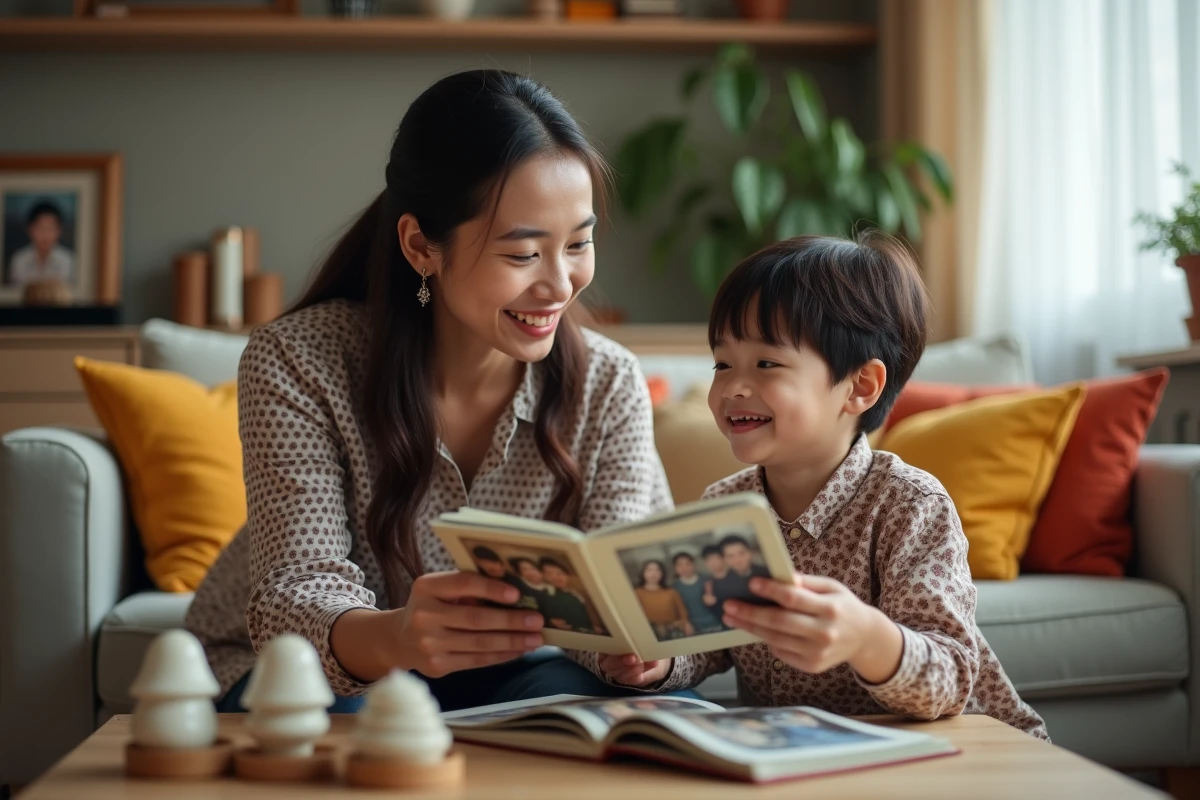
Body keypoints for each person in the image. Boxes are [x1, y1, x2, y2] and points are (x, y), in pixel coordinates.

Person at [184, 69, 679, 714]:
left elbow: (620, 600)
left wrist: (635, 649)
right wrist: (400, 636)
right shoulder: (299, 360)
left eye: (579, 244)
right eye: (523, 254)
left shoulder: (608, 383)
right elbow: (294, 600)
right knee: (359, 717)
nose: (561, 285)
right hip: (318, 668)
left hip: (516, 671)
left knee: (593, 708)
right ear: (422, 246)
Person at [590, 233, 1049, 740]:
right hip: (802, 750)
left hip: (960, 752)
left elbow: (951, 676)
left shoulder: (910, 505)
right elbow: (711, 640)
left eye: (766, 364)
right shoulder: (724, 505)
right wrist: (661, 663)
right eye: (723, 363)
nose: (733, 387)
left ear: (860, 387)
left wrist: (866, 638)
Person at [7, 200, 74, 287]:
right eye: (41, 228)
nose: (45, 235)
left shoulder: (69, 261)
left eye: (50, 229)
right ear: (30, 229)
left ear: (59, 231)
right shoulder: (19, 260)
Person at [633, 560, 693, 640]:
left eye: (657, 570)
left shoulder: (671, 592)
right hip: (649, 633)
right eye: (649, 570)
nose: (653, 573)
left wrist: (686, 623)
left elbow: (682, 611)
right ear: (643, 573)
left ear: (662, 574)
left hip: (673, 631)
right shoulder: (636, 593)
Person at [539, 556, 600, 633]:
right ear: (542, 575)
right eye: (549, 573)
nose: (556, 577)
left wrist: (593, 628)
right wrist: (550, 622)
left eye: (560, 573)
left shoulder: (575, 594)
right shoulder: (544, 594)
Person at [711, 534, 771, 607]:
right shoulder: (721, 585)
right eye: (730, 556)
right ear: (724, 559)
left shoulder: (768, 573)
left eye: (741, 553)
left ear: (750, 553)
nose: (737, 560)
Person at [670, 552, 722, 634]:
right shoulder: (674, 588)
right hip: (693, 628)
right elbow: (677, 610)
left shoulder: (708, 580)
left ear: (693, 565)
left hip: (716, 623)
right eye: (679, 565)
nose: (684, 568)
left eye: (687, 564)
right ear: (675, 568)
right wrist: (685, 623)